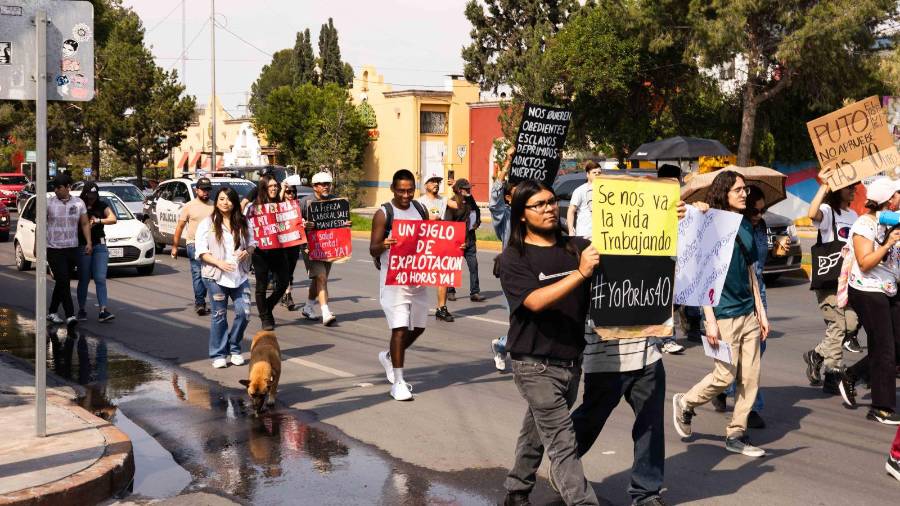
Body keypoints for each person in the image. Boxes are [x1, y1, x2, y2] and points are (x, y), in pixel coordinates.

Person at [572, 198, 690, 506]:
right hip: (605, 357)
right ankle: (564, 468)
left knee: (650, 425)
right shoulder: (586, 251)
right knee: (589, 420)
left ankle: (646, 492)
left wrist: (675, 218)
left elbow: (679, 263)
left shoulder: (651, 247)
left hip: (647, 355)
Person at [498, 180, 600, 506]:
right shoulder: (515, 257)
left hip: (571, 361)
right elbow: (534, 301)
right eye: (539, 205)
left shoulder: (576, 247)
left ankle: (517, 489)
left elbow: (627, 247)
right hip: (533, 363)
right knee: (561, 440)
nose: (549, 209)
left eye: (551, 201)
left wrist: (675, 215)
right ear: (522, 215)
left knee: (536, 430)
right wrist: (581, 275)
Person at [673, 170, 770, 458]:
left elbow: (752, 271)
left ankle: (736, 433)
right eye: (738, 190)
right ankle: (686, 403)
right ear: (724, 193)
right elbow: (702, 274)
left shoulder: (745, 226)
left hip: (748, 313)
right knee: (724, 376)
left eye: (745, 190)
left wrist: (761, 312)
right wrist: (710, 320)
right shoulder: (709, 222)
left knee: (750, 378)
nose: (744, 194)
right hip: (722, 314)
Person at [837, 176, 900, 424]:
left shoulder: (893, 223)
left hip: (890, 287)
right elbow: (865, 263)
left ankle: (853, 374)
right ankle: (881, 407)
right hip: (867, 290)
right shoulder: (865, 224)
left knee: (897, 344)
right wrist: (887, 244)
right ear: (887, 199)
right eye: (897, 194)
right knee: (883, 346)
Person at [370, 169, 431, 401]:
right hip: (394, 280)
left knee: (419, 326)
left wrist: (453, 246)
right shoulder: (384, 213)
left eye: (409, 190)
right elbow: (372, 249)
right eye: (401, 190)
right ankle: (398, 381)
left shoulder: (420, 209)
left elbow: (429, 239)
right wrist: (385, 244)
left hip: (416, 277)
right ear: (393, 189)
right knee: (400, 327)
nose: (406, 195)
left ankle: (388, 356)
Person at [715, 186, 768, 428]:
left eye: (762, 211)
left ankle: (746, 411)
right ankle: (724, 390)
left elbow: (756, 266)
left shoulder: (760, 227)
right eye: (754, 212)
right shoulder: (725, 225)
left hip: (756, 293)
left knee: (754, 358)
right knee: (731, 363)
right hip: (729, 299)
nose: (758, 215)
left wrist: (762, 311)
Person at [803, 181, 863, 393]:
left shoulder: (854, 215)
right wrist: (825, 186)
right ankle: (832, 373)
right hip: (829, 280)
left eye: (854, 188)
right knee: (837, 326)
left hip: (847, 280)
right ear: (838, 190)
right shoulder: (829, 211)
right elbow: (812, 213)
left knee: (851, 323)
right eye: (849, 188)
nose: (853, 191)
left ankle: (817, 354)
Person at [195, 187, 255, 369]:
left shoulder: (243, 221)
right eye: (221, 199)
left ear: (235, 201)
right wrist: (218, 263)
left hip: (240, 276)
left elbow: (253, 244)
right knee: (219, 315)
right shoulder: (208, 223)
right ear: (217, 201)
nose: (224, 202)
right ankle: (219, 354)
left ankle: (235, 348)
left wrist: (247, 252)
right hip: (216, 277)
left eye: (228, 199)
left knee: (244, 313)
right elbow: (201, 251)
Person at [246, 175, 290, 331]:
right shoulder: (253, 208)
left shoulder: (281, 205)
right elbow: (248, 229)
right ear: (264, 188)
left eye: (275, 186)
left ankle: (267, 306)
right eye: (270, 186)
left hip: (278, 251)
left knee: (284, 282)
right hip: (261, 253)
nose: (274, 188)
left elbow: (289, 224)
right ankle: (265, 317)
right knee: (261, 287)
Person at [47, 173, 92, 326]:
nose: (56, 191)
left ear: (68, 187)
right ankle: (70, 315)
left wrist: (89, 242)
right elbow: (40, 225)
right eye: (55, 188)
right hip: (54, 248)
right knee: (64, 280)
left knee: (62, 281)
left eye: (59, 188)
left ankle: (52, 312)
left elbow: (85, 224)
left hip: (72, 248)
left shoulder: (79, 203)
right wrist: (37, 246)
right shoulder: (49, 203)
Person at [299, 171, 340, 326]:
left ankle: (308, 307)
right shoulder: (304, 202)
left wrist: (346, 224)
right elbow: (295, 224)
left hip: (329, 245)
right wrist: (304, 225)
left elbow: (341, 219)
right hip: (311, 247)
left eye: (328, 184)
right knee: (321, 277)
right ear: (314, 186)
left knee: (319, 279)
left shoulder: (336, 200)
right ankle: (325, 312)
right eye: (322, 184)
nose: (326, 187)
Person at [417, 175, 458, 322]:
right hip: (424, 244)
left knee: (443, 275)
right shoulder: (419, 202)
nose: (436, 184)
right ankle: (412, 306)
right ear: (425, 185)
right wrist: (428, 220)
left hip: (440, 242)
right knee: (417, 277)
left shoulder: (443, 200)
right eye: (433, 181)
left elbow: (459, 205)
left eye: (438, 182)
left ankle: (441, 309)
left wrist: (456, 188)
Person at [489, 151, 516, 371]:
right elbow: (494, 198)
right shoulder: (504, 216)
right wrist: (507, 162)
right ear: (509, 197)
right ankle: (501, 345)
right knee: (518, 320)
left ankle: (505, 344)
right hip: (513, 273)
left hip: (537, 271)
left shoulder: (536, 215)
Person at [656, 164, 687, 355]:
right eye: (678, 178)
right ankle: (667, 338)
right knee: (665, 296)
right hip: (659, 254)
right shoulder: (655, 199)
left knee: (674, 298)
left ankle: (661, 332)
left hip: (676, 253)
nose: (681, 181)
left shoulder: (680, 200)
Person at [172, 177, 215, 315]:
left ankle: (212, 300)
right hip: (194, 244)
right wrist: (175, 246)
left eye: (208, 189)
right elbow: (179, 227)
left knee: (209, 275)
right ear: (197, 190)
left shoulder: (214, 206)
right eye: (203, 190)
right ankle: (200, 303)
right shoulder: (189, 206)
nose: (206, 192)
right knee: (198, 274)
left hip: (211, 245)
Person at [76, 181, 117, 322]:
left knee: (100, 278)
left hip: (99, 245)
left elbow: (113, 218)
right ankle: (81, 309)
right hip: (83, 246)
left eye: (94, 194)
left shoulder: (102, 205)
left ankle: (103, 310)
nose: (92, 197)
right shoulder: (79, 205)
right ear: (85, 194)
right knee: (84, 279)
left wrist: (99, 221)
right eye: (89, 194)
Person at [446, 178, 484, 303]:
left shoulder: (470, 199)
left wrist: (477, 222)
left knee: (474, 266)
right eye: (466, 188)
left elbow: (477, 211)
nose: (469, 190)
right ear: (459, 190)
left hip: (470, 239)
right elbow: (448, 223)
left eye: (469, 188)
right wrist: (453, 240)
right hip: (456, 241)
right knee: (452, 267)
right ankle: (450, 291)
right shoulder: (452, 203)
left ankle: (475, 292)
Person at [280, 175, 303, 311]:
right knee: (282, 270)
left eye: (293, 192)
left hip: (294, 244)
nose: (291, 194)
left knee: (290, 271)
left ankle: (286, 294)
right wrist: (283, 189)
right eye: (289, 192)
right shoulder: (277, 206)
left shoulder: (298, 206)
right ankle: (286, 295)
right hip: (280, 244)